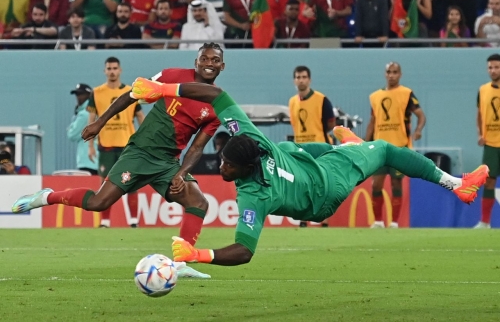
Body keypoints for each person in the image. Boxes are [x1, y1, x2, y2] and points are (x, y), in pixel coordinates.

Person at [122, 78, 488, 266]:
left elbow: (244, 250)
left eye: (227, 164)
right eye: (222, 160)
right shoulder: (249, 140)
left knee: (388, 150)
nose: (221, 165)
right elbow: (215, 93)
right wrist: (163, 89)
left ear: (245, 166)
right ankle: (352, 149)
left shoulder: (254, 194)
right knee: (296, 149)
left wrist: (197, 254)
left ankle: (459, 186)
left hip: (325, 186)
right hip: (313, 179)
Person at [11, 42, 225, 278]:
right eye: (204, 58)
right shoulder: (171, 75)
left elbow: (197, 147)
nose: (209, 64)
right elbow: (132, 96)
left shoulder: (216, 106)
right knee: (98, 203)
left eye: (215, 60)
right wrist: (99, 123)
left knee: (199, 202)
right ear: (196, 62)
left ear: (222, 66)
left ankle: (181, 262)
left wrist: (181, 173)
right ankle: (46, 197)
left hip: (168, 162)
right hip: (140, 152)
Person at [365, 62, 426, 229]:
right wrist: (364, 142)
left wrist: (419, 130)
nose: (391, 75)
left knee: (396, 184)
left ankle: (394, 222)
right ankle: (377, 221)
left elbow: (421, 115)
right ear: (385, 74)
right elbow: (373, 121)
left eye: (395, 72)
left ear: (400, 74)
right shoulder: (375, 96)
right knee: (376, 183)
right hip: (380, 148)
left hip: (399, 147)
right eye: (389, 72)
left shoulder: (407, 94)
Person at [87, 56, 145, 228]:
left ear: (120, 70)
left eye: (115, 68)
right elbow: (92, 120)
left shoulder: (131, 91)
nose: (112, 71)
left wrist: (147, 139)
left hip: (128, 146)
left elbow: (140, 116)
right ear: (105, 71)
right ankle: (105, 222)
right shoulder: (96, 92)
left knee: (131, 183)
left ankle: (134, 221)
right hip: (106, 146)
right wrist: (90, 145)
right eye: (109, 68)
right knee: (106, 184)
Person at [288, 65, 335, 228]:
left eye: (304, 77)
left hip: (320, 146)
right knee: (302, 184)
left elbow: (331, 123)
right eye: (298, 77)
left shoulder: (322, 99)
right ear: (294, 80)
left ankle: (324, 220)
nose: (301, 80)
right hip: (301, 148)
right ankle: (303, 219)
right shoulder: (292, 102)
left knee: (322, 183)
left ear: (310, 79)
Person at [475, 53, 500, 229]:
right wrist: (480, 134)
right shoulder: (483, 90)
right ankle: (485, 222)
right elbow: (480, 114)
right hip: (491, 143)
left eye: (497, 67)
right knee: (489, 181)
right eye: (490, 67)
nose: (493, 70)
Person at [67, 83, 99, 175]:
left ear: (89, 96)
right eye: (77, 94)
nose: (78, 97)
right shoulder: (95, 110)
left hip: (87, 161)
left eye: (81, 94)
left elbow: (72, 135)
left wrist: (74, 117)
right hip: (97, 160)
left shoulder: (84, 114)